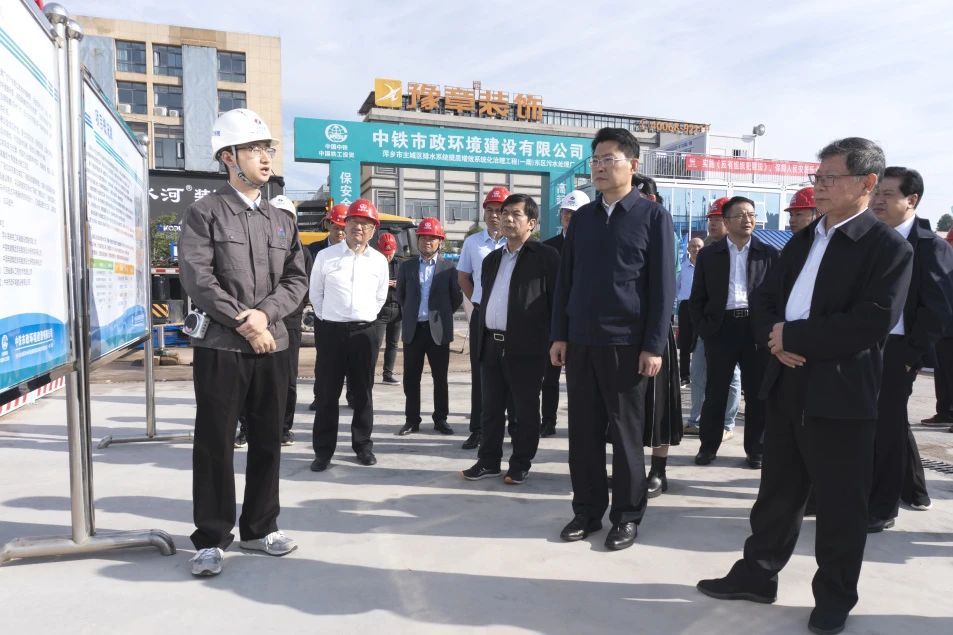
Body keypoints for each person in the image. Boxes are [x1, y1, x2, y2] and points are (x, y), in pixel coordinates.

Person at [697, 137, 913, 635]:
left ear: (866, 183)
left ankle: (834, 596)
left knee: (840, 503)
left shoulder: (886, 249)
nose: (818, 187)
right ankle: (757, 574)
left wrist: (794, 337)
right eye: (817, 178)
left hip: (840, 391)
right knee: (778, 491)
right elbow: (765, 299)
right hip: (786, 380)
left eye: (829, 178)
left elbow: (871, 321)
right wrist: (774, 339)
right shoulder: (803, 240)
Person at [179, 108, 307, 577]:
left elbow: (296, 279)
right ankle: (211, 538)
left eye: (267, 148)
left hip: (272, 345)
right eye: (254, 149)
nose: (265, 157)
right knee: (215, 442)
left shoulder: (281, 219)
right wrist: (244, 320)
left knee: (268, 438)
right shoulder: (205, 213)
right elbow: (198, 277)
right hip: (222, 347)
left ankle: (259, 527)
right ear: (228, 157)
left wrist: (265, 316)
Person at [551, 127, 675, 552]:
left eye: (609, 159)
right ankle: (586, 510)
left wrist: (653, 345)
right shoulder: (583, 219)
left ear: (632, 165)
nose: (600, 167)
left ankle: (626, 515)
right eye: (596, 160)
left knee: (625, 435)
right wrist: (560, 334)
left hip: (627, 344)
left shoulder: (652, 217)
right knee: (583, 433)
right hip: (581, 341)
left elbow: (663, 287)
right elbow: (566, 282)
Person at [868, 167, 953, 529]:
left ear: (911, 200)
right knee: (888, 420)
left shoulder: (930, 246)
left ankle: (882, 508)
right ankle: (914, 489)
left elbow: (938, 309)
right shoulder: (872, 240)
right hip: (865, 345)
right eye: (876, 193)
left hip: (899, 349)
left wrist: (911, 357)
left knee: (884, 427)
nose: (878, 201)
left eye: (888, 194)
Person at [463, 194, 560, 484]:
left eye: (516, 214)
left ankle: (520, 463)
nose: (506, 218)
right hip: (490, 344)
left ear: (532, 223)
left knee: (524, 410)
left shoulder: (546, 257)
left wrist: (557, 340)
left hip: (527, 346)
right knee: (490, 409)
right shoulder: (492, 259)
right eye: (504, 213)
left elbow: (557, 303)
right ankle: (488, 461)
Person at [689, 196, 779, 468]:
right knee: (716, 392)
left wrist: (770, 329)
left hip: (756, 330)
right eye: (740, 215)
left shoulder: (769, 254)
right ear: (726, 221)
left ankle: (756, 450)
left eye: (751, 214)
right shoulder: (709, 255)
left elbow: (778, 298)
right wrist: (705, 328)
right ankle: (708, 447)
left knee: (757, 394)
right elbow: (697, 297)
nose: (747, 220)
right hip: (721, 329)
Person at [309, 199, 389, 472]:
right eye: (354, 222)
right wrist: (329, 317)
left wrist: (363, 316)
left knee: (363, 393)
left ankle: (362, 446)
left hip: (364, 333)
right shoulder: (326, 256)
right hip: (331, 331)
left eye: (366, 224)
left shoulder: (379, 261)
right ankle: (323, 451)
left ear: (373, 229)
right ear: (345, 224)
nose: (359, 228)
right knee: (327, 393)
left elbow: (380, 296)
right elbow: (315, 294)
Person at [235, 195, 313, 448]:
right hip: (251, 322)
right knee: (247, 380)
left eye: (286, 217)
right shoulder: (248, 245)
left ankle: (283, 428)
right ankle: (247, 429)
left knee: (286, 381)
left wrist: (280, 310)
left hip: (287, 322)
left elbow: (301, 285)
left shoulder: (301, 251)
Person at [631, 174, 683, 498]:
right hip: (627, 331)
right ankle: (632, 469)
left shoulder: (662, 229)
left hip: (656, 330)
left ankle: (658, 471)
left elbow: (665, 287)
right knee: (630, 408)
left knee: (658, 405)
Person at [396, 217, 462, 436]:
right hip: (414, 330)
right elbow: (401, 296)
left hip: (438, 331)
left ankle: (440, 419)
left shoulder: (449, 268)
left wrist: (439, 316)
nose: (427, 241)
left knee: (440, 379)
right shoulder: (406, 267)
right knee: (411, 378)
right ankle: (411, 420)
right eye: (423, 237)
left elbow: (455, 299)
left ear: (440, 241)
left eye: (432, 238)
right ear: (418, 240)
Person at [457, 186, 509, 449]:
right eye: (489, 210)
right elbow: (463, 277)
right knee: (480, 374)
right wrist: (480, 302)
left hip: (511, 319)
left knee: (512, 373)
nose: (494, 215)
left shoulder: (519, 243)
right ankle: (477, 429)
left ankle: (513, 427)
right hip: (482, 316)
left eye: (499, 210)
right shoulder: (472, 243)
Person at [685, 197, 741, 438]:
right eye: (711, 219)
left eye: (717, 219)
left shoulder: (742, 250)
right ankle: (695, 419)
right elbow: (697, 293)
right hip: (707, 326)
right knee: (698, 373)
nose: (713, 224)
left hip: (734, 324)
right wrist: (700, 323)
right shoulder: (706, 252)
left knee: (732, 376)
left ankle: (727, 424)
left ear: (729, 221)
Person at [540, 189, 590, 437]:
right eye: (566, 213)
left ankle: (584, 424)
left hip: (584, 322)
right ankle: (548, 420)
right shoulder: (547, 248)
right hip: (553, 321)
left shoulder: (594, 246)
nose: (569, 217)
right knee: (549, 376)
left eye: (575, 213)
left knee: (582, 378)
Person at [309, 203, 349, 411]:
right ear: (328, 225)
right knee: (324, 359)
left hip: (348, 315)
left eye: (343, 228)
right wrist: (320, 311)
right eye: (336, 227)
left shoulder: (355, 251)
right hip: (323, 314)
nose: (340, 232)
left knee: (351, 358)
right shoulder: (313, 250)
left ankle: (352, 396)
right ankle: (321, 396)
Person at [375, 232, 402, 386]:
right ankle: (367, 373)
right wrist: (383, 284)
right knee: (375, 343)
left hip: (397, 309)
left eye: (390, 254)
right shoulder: (372, 263)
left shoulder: (400, 264)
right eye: (384, 254)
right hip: (380, 310)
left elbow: (409, 283)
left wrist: (399, 284)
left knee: (393, 344)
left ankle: (388, 374)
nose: (387, 257)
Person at [676, 237, 704, 385]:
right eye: (693, 246)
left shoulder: (708, 267)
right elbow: (676, 288)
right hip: (686, 307)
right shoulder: (682, 268)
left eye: (699, 246)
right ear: (688, 249)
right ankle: (684, 376)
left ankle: (703, 375)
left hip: (703, 307)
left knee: (704, 341)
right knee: (685, 342)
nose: (696, 249)